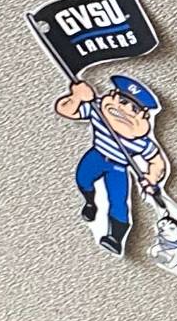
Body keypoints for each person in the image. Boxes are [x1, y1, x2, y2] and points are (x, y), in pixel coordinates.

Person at [54, 70, 168, 254]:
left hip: (118, 168)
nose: (125, 111)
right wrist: (77, 96)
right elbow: (66, 110)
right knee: (83, 179)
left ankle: (115, 238)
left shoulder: (140, 141)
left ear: (144, 117)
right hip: (96, 156)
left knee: (119, 202)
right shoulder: (98, 111)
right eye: (123, 102)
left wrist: (151, 178)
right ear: (113, 96)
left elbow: (157, 162)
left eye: (135, 109)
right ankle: (91, 203)